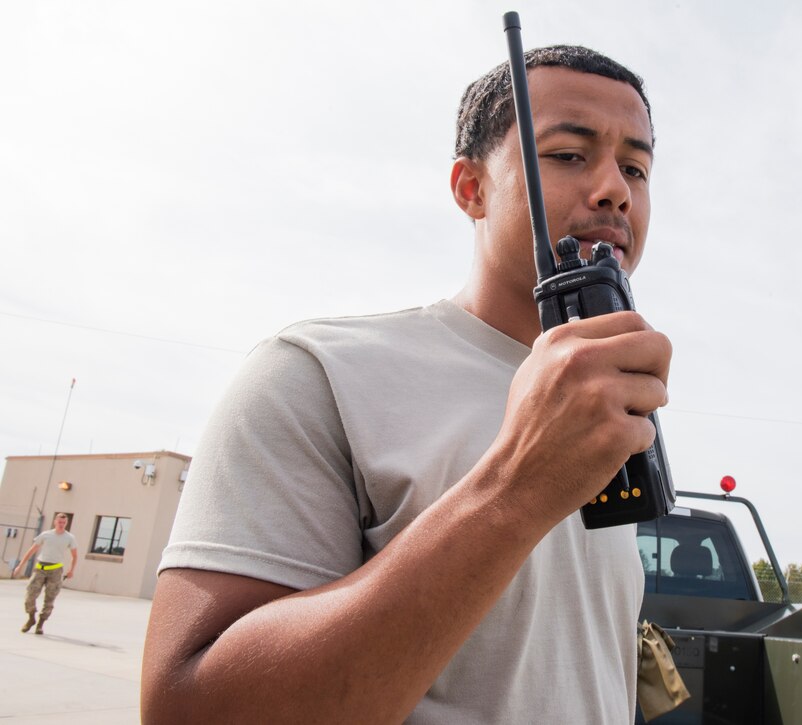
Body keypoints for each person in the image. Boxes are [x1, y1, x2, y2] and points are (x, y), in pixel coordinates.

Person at [142, 44, 670, 724]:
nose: (615, 189)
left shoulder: (616, 413)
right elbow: (187, 707)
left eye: (636, 167)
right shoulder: (317, 373)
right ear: (470, 187)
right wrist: (513, 489)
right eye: (569, 154)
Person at [15, 512, 78, 635]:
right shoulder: (46, 535)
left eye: (64, 523)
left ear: (66, 523)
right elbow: (32, 550)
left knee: (50, 598)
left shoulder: (69, 538)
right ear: (55, 522)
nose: (61, 524)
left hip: (56, 570)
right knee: (30, 595)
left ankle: (40, 624)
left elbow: (75, 555)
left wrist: (71, 570)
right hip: (40, 568)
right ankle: (31, 618)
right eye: (59, 522)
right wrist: (20, 565)